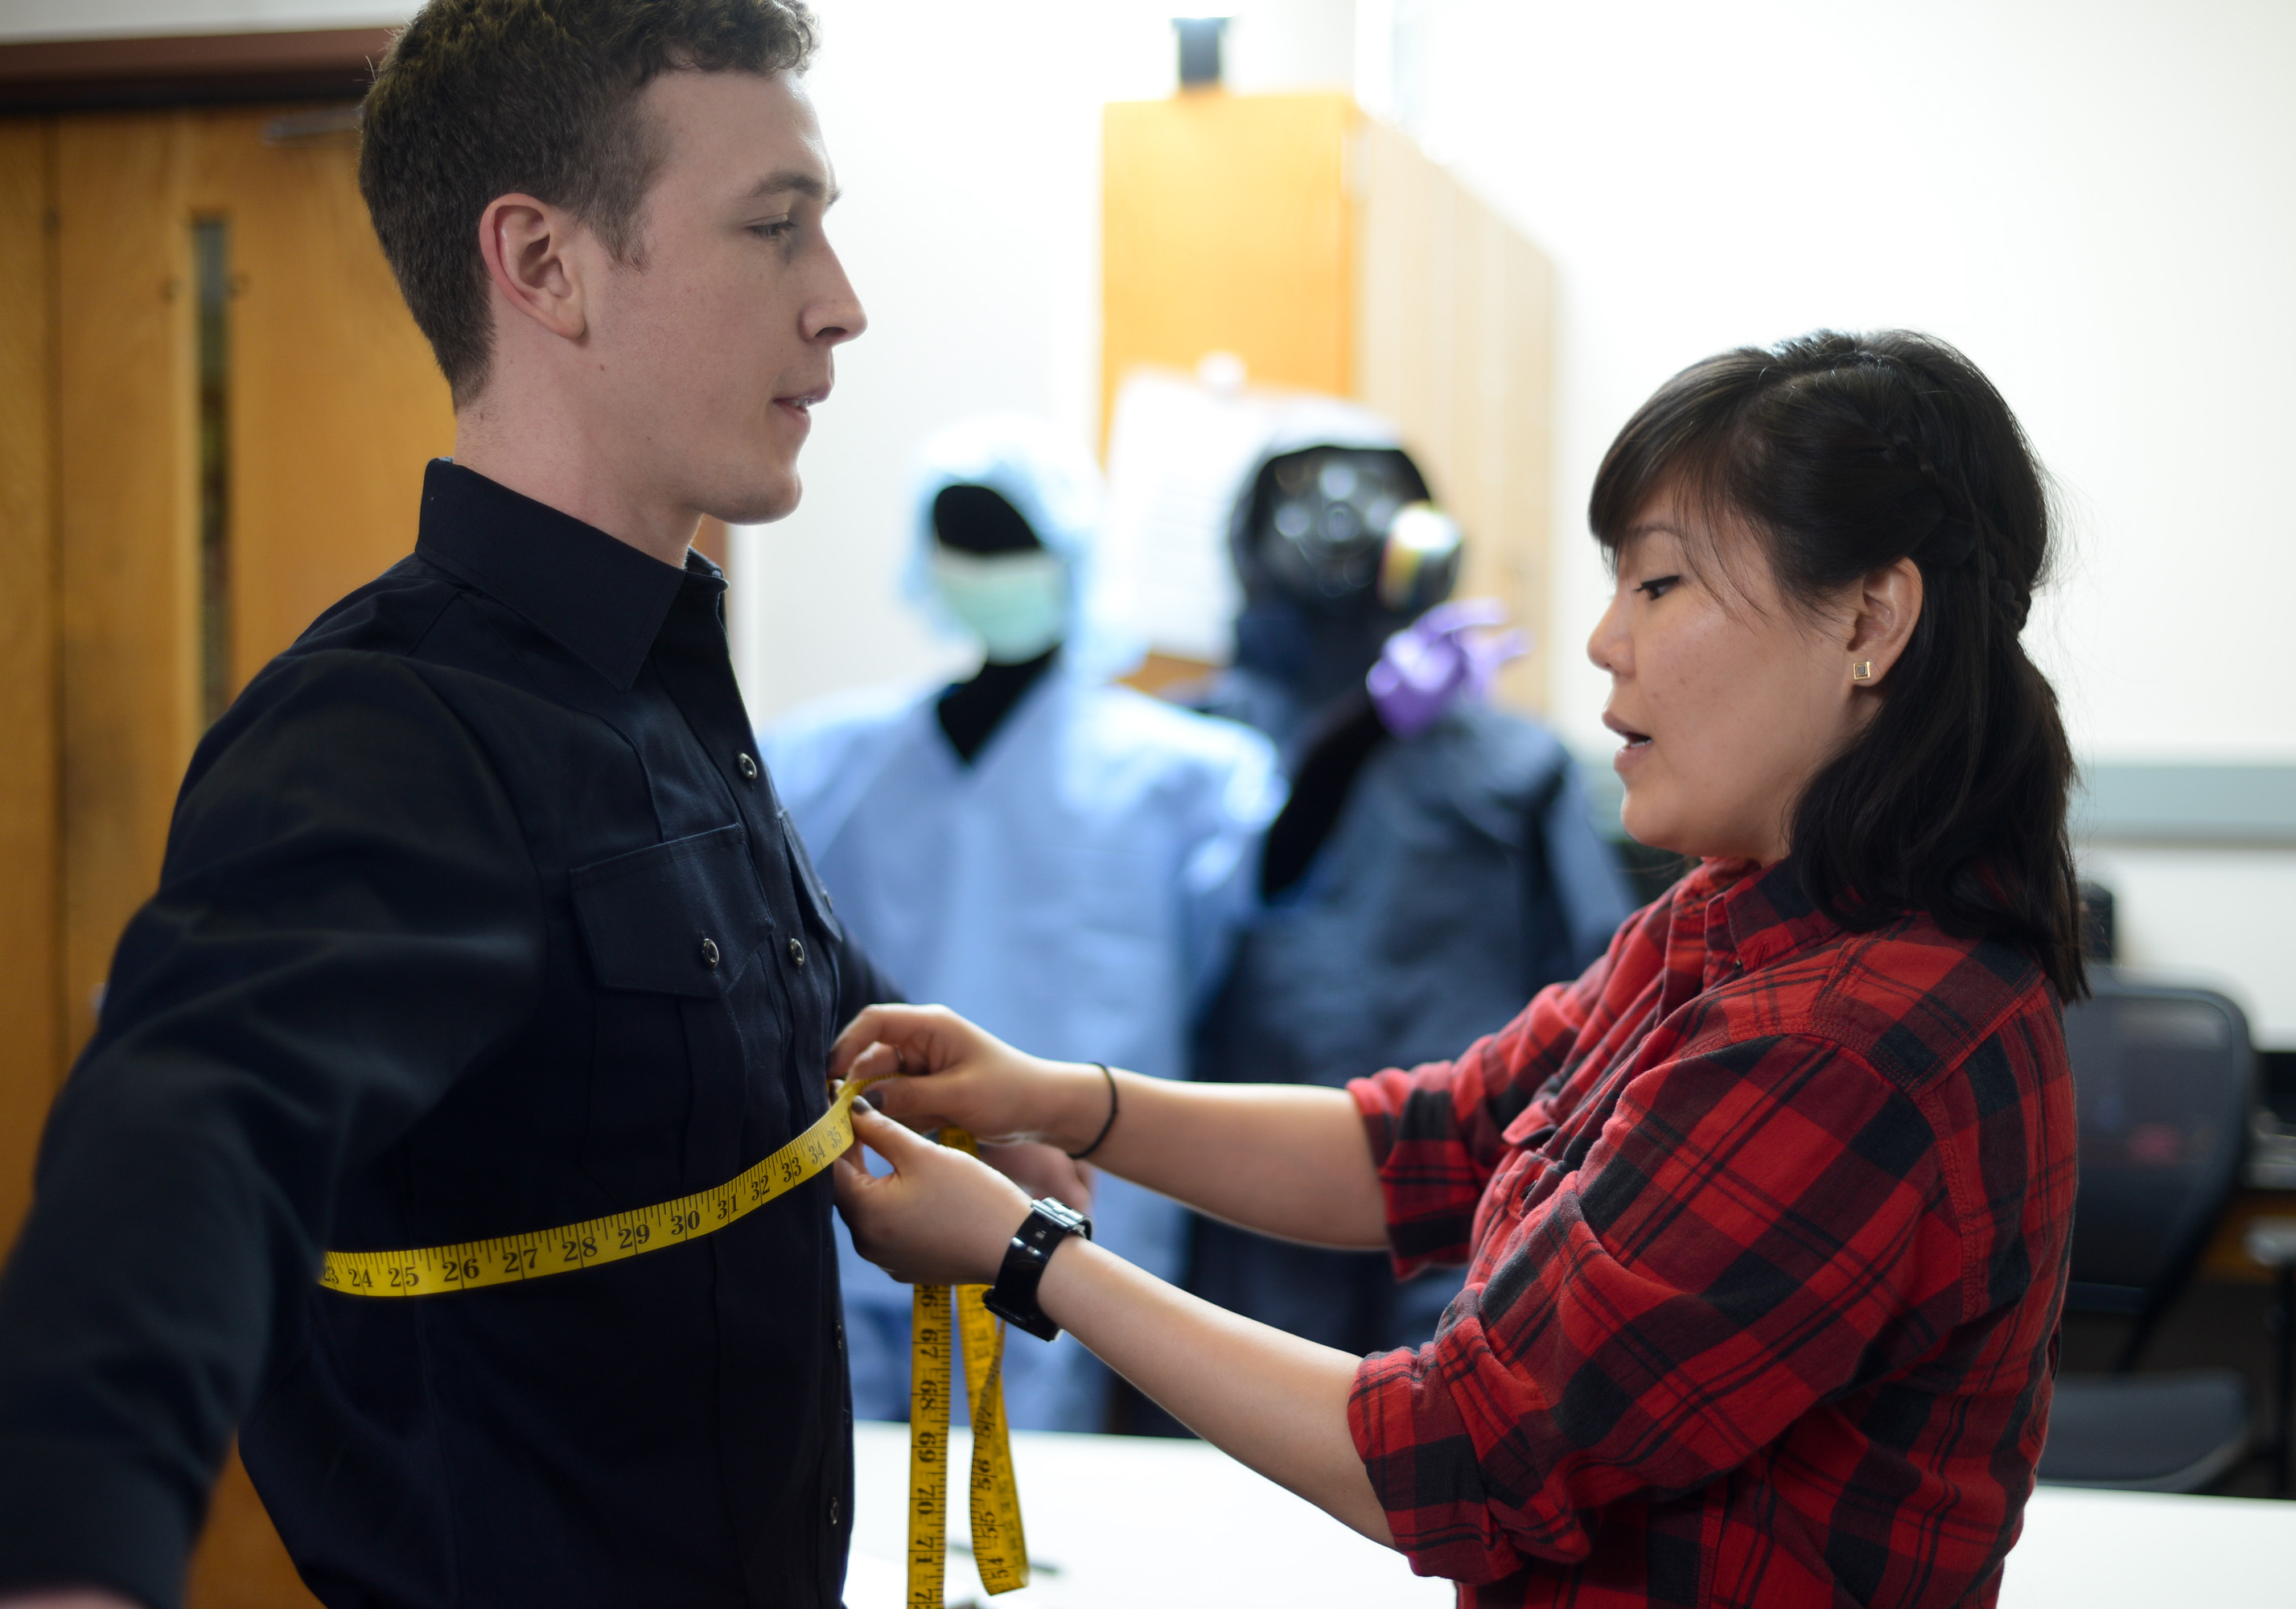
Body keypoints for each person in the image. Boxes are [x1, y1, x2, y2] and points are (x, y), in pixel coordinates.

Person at [829, 331, 2084, 1607]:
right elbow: (1434, 1142)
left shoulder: (1849, 1043)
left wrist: (1031, 1258)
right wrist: (1053, 1097)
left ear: (1872, 618)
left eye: (1659, 585)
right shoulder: (1723, 921)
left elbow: (1459, 1450)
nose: (1603, 640)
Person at [0, 5, 883, 1607]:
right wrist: (64, 1557)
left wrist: (900, 1062)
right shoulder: (387, 732)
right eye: (777, 227)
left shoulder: (662, 680)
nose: (841, 304)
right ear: (542, 264)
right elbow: (184, 1146)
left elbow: (683, 1012)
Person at [763, 414, 1279, 1430]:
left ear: (1072, 556)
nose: (987, 566)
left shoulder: (1188, 775)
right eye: (965, 537)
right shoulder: (824, 762)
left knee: (1038, 1530)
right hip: (860, 1184)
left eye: (1010, 538)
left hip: (1069, 1212)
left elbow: (1247, 962)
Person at [1175, 401, 1633, 1369]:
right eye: (1306, 488)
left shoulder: (1516, 760)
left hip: (1463, 1176)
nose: (1342, 517)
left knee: (1443, 1464)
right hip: (1239, 1177)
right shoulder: (1185, 750)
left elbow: (1610, 983)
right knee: (1238, 1446)